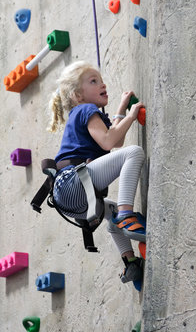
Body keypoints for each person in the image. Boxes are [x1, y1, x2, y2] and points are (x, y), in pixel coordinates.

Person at [48, 61, 146, 284]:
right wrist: (132, 115)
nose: (102, 84)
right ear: (77, 95)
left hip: (70, 201)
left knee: (109, 212)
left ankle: (130, 262)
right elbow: (109, 141)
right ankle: (127, 215)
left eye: (101, 80)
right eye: (93, 81)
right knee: (135, 153)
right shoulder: (85, 109)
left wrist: (121, 110)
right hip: (74, 182)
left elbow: (114, 142)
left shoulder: (82, 113)